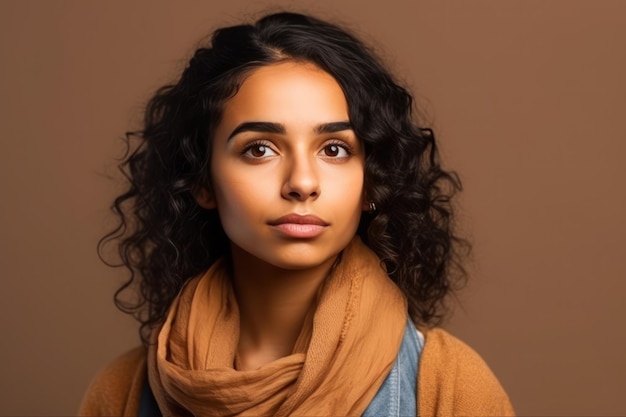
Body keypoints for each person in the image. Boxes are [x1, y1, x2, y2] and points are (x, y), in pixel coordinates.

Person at [80, 11, 514, 417]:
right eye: (260, 149)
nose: (302, 182)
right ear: (202, 180)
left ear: (372, 181)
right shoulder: (124, 392)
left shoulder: (450, 387)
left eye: (334, 149)